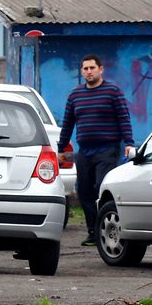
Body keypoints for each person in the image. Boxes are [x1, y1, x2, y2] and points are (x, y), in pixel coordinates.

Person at [57, 54, 134, 247]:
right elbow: (67, 124)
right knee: (84, 191)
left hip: (107, 149)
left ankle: (109, 229)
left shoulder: (112, 92)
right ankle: (93, 230)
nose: (89, 72)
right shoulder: (75, 95)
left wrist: (129, 143)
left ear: (101, 69)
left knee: (101, 188)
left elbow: (123, 118)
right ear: (82, 71)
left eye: (92, 68)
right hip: (85, 151)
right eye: (85, 69)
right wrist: (61, 149)